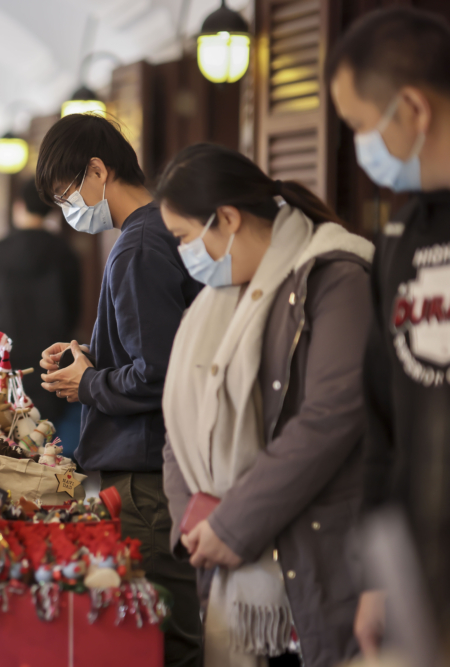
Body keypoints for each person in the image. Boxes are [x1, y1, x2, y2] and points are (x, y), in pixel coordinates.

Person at [156, 144, 374, 667]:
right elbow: (179, 427)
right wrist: (193, 521)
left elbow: (330, 416)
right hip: (223, 551)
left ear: (227, 218)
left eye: (185, 238)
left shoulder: (334, 277)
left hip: (314, 552)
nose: (185, 254)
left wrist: (232, 525)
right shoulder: (218, 298)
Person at [35, 113, 203, 667]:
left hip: (146, 473)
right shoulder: (159, 231)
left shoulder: (137, 247)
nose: (70, 212)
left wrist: (88, 384)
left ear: (98, 171)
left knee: (165, 636)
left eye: (67, 195)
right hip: (159, 465)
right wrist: (90, 356)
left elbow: (158, 373)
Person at [326, 7, 450, 654]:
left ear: (413, 108)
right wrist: (379, 574)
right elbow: (385, 418)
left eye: (357, 125)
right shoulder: (399, 237)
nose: (360, 145)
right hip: (418, 574)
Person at [0, 178, 81, 428]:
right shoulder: (64, 251)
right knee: (48, 433)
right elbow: (74, 307)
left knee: (9, 426)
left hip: (7, 352)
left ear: (18, 206)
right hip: (51, 355)